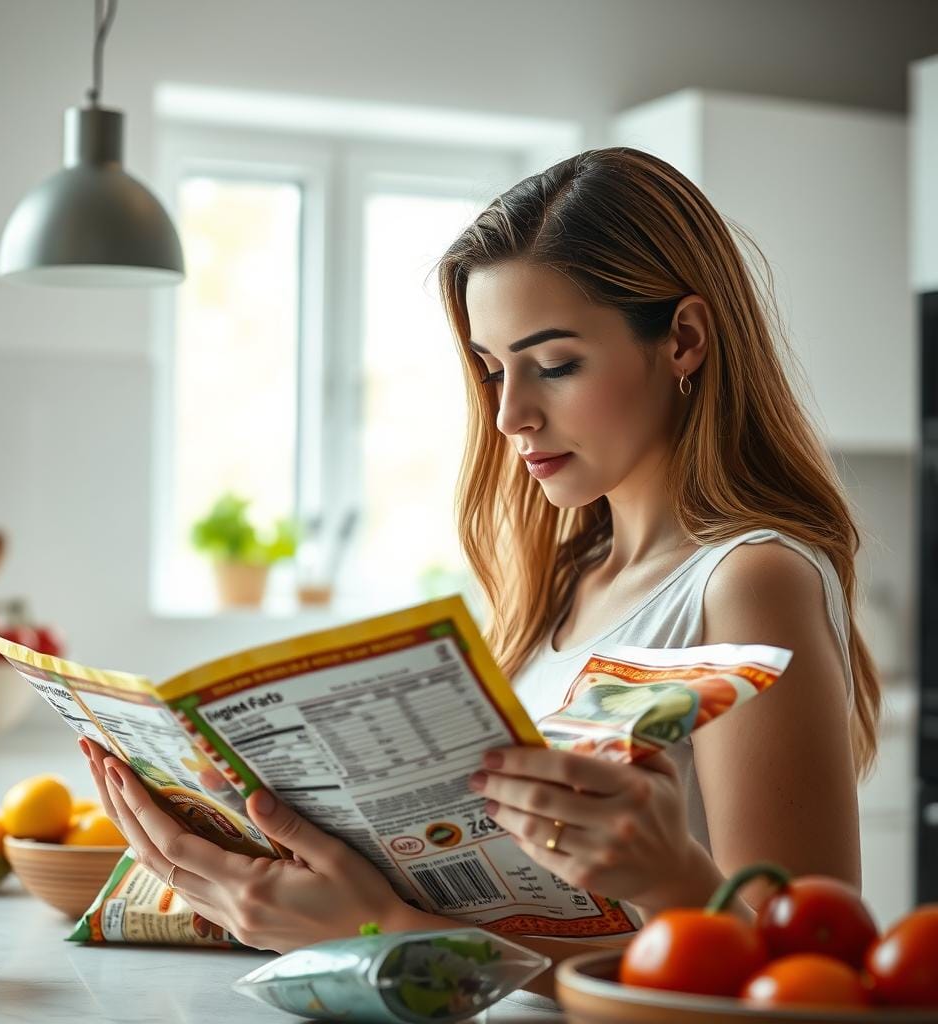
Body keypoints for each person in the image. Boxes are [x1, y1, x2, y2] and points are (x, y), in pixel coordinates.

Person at [78, 147, 880, 952]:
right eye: (493, 371)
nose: (510, 416)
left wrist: (380, 929)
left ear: (685, 339)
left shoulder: (751, 580)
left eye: (556, 365)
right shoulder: (560, 584)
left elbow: (806, 970)